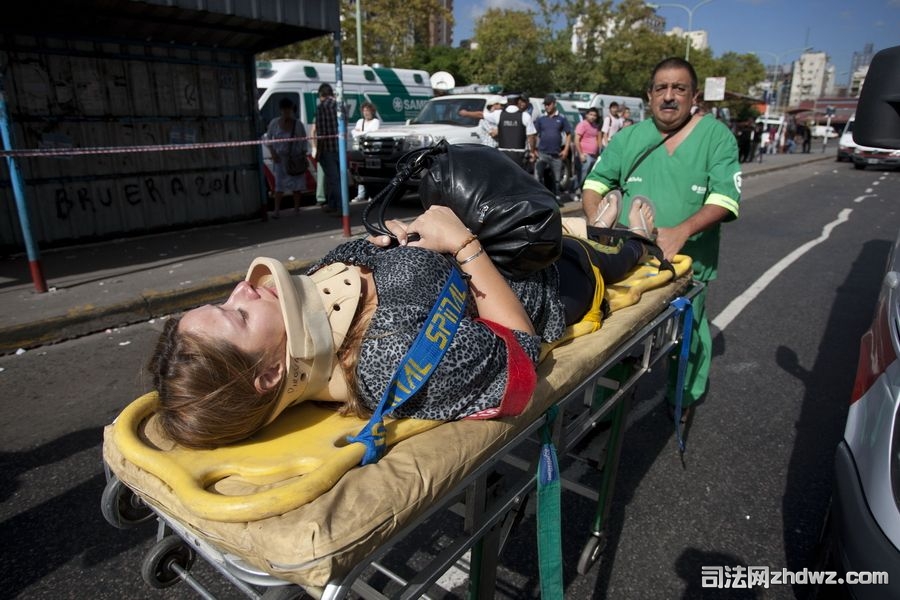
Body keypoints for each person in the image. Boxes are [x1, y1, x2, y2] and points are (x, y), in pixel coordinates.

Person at [148, 190, 659, 449]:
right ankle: (639, 239)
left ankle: (598, 227)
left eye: (223, 298)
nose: (242, 288)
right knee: (603, 258)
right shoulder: (385, 361)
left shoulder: (303, 308)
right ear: (269, 375)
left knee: (568, 228)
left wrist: (399, 236)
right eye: (235, 313)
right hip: (549, 282)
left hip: (501, 246)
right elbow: (520, 360)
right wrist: (463, 245)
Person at [581, 56, 741, 423]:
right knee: (617, 339)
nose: (669, 97)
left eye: (679, 88)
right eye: (661, 89)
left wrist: (681, 231)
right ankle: (606, 409)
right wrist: (596, 221)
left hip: (687, 266)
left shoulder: (716, 136)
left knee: (687, 338)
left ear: (693, 96)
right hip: (630, 263)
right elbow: (596, 183)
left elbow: (725, 199)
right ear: (649, 95)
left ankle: (683, 397)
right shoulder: (630, 136)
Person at [266, 98, 308, 219]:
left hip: (295, 159)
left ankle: (296, 209)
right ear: (281, 110)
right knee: (279, 186)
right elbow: (268, 139)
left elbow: (304, 141)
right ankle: (276, 210)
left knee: (297, 185)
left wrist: (303, 156)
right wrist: (273, 153)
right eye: (284, 110)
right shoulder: (274, 123)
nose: (287, 112)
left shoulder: (298, 124)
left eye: (288, 110)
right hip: (280, 160)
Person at [534, 94, 572, 204]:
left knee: (557, 178)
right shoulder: (541, 119)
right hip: (542, 152)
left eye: (548, 104)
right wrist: (535, 149)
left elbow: (569, 134)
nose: (546, 107)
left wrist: (566, 150)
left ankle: (557, 197)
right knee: (539, 176)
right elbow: (535, 134)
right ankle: (540, 198)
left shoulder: (561, 119)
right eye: (545, 104)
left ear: (554, 104)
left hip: (556, 154)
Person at [310, 83, 341, 214]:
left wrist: (318, 151)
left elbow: (321, 132)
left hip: (327, 149)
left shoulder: (321, 107)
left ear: (321, 95)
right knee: (338, 179)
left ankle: (340, 207)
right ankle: (334, 204)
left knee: (332, 180)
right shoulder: (341, 105)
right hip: (340, 149)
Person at [493, 94, 537, 169]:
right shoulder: (523, 115)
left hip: (518, 152)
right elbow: (531, 136)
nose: (522, 104)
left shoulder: (529, 114)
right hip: (516, 152)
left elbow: (531, 136)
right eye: (521, 101)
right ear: (518, 102)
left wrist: (532, 151)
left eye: (524, 101)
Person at [574, 107, 601, 192]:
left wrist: (597, 153)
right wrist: (581, 154)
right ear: (586, 115)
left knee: (589, 175)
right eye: (591, 114)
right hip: (585, 154)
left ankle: (581, 191)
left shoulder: (595, 126)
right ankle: (574, 189)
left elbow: (597, 139)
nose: (592, 117)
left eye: (594, 115)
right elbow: (576, 140)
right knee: (582, 174)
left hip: (593, 155)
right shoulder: (582, 124)